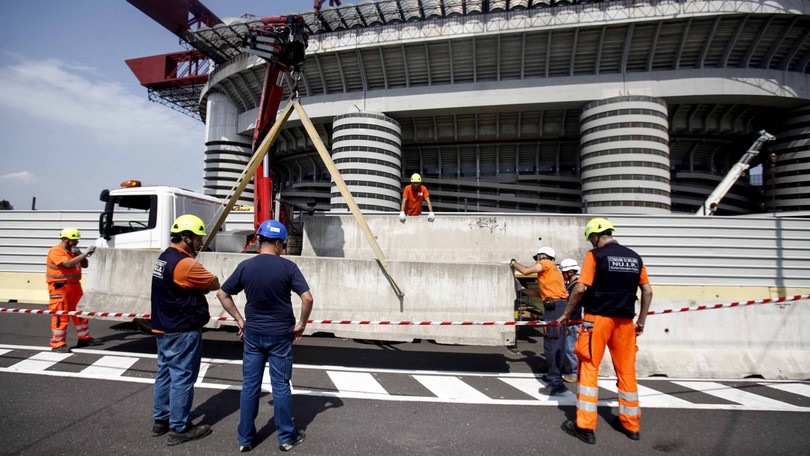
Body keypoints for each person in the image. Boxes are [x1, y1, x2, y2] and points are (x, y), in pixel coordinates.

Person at [216, 219, 314, 453]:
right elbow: (307, 298)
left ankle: (245, 439)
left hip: (253, 334)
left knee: (250, 386)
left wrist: (240, 321)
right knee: (280, 385)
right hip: (280, 335)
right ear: (279, 243)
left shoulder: (246, 266)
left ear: (260, 240)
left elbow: (222, 293)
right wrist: (301, 324)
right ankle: (287, 437)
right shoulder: (288, 267)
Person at [557, 217, 653, 445]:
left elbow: (580, 288)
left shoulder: (595, 256)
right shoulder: (634, 257)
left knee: (589, 369)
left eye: (591, 239)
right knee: (627, 372)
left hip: (597, 320)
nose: (591, 243)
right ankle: (631, 426)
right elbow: (647, 292)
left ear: (596, 236)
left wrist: (567, 314)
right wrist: (641, 321)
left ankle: (585, 427)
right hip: (625, 323)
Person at [150, 214, 220, 446]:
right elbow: (213, 283)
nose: (201, 243)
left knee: (165, 374)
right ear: (186, 238)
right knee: (182, 378)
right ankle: (179, 428)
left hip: (164, 327)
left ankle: (161, 420)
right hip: (182, 328)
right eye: (198, 239)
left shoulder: (164, 258)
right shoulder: (186, 263)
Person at [511, 246, 568, 396]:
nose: (537, 261)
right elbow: (539, 293)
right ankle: (554, 376)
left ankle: (555, 383)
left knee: (552, 344)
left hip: (555, 308)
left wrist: (513, 262)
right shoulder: (552, 272)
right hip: (556, 306)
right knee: (556, 343)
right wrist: (521, 289)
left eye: (537, 258)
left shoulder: (547, 264)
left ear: (543, 256)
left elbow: (525, 271)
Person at [45, 228, 102, 353]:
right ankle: (57, 344)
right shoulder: (55, 251)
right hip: (60, 287)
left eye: (76, 240)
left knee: (80, 313)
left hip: (75, 286)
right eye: (74, 240)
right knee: (61, 315)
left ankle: (84, 338)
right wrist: (83, 254)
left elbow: (85, 265)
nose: (76, 242)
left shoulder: (73, 252)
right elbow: (67, 264)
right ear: (65, 239)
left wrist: (80, 254)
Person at [559, 258, 581, 384]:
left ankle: (574, 373)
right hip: (571, 321)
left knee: (570, 348)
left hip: (574, 320)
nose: (562, 274)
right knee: (567, 347)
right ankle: (569, 369)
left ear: (570, 272)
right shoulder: (571, 285)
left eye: (564, 272)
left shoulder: (576, 286)